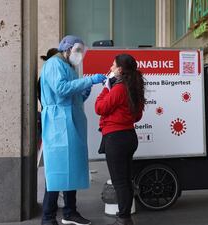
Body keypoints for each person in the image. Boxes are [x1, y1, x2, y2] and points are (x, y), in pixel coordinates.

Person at [40, 35, 106, 225]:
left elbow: (71, 96)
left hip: (71, 121)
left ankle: (70, 212)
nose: (79, 55)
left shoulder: (70, 68)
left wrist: (82, 94)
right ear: (66, 48)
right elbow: (60, 89)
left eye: (81, 52)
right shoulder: (54, 64)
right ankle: (48, 217)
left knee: (72, 168)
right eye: (77, 51)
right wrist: (89, 81)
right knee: (56, 171)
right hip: (58, 123)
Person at [95, 54, 145, 225]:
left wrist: (105, 88)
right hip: (129, 137)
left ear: (120, 69)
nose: (110, 68)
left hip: (116, 139)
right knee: (125, 179)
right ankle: (124, 215)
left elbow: (99, 108)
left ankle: (124, 218)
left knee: (119, 181)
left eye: (113, 65)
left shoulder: (118, 88)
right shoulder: (134, 87)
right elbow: (137, 116)